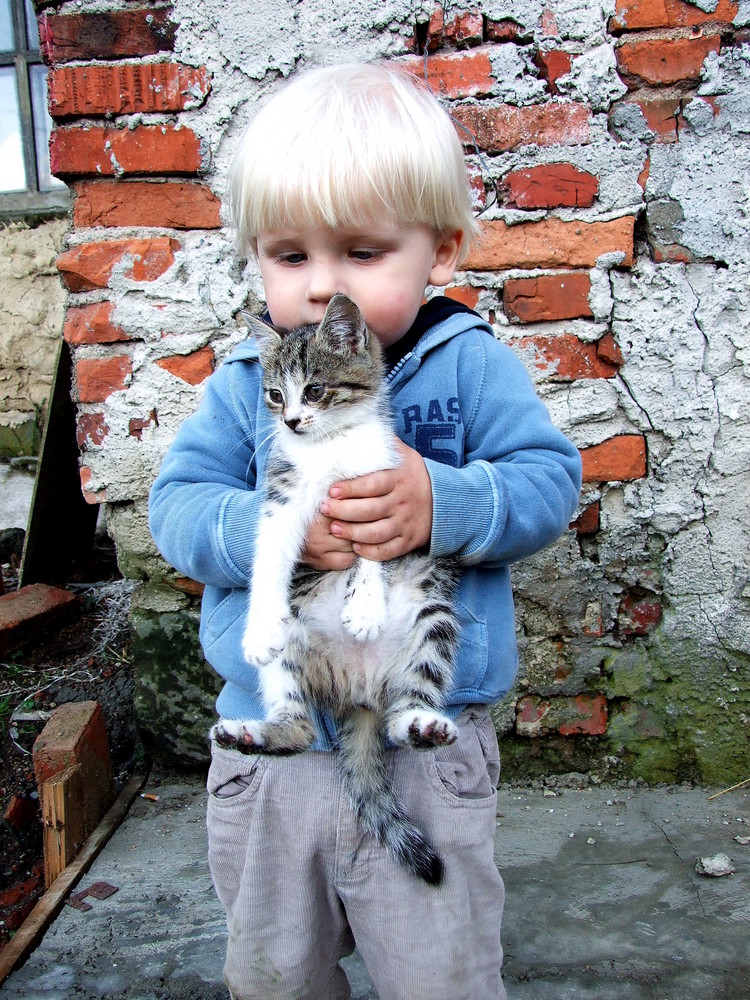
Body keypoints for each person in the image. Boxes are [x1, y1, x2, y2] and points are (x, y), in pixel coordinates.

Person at [149, 62, 582, 1000]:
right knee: (275, 974)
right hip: (275, 761)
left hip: (428, 747)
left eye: (362, 251)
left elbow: (551, 482)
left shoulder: (468, 368)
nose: (320, 289)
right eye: (291, 255)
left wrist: (445, 503)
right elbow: (176, 506)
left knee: (442, 974)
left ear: (444, 251)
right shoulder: (242, 385)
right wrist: (265, 531)